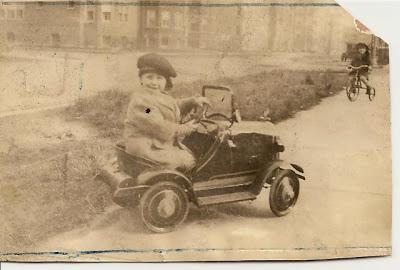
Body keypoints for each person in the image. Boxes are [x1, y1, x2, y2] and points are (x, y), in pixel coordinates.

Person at [123, 53, 209, 171]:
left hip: (156, 144)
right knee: (190, 161)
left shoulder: (157, 96)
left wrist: (191, 101)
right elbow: (158, 126)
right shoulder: (142, 103)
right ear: (141, 79)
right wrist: (186, 128)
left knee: (188, 154)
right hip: (147, 150)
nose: (154, 82)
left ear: (166, 82)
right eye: (149, 77)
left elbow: (171, 106)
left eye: (159, 78)